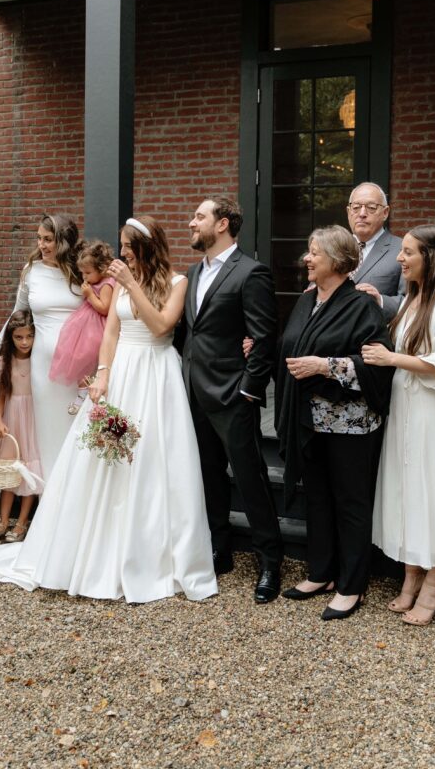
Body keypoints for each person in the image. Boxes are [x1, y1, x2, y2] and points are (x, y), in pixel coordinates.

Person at [0, 216, 217, 604]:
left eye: (127, 246)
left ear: (145, 246)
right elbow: (111, 333)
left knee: (154, 458)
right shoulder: (118, 281)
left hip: (157, 376)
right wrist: (102, 376)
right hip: (121, 373)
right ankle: (95, 545)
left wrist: (132, 285)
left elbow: (159, 325)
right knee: (106, 455)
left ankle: (151, 552)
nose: (120, 253)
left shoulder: (176, 282)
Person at [275, 226, 394, 621]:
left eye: (315, 253)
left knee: (350, 503)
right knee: (318, 498)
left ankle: (351, 585)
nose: (307, 259)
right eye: (308, 252)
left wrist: (324, 366)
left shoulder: (361, 306)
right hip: (309, 419)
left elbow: (377, 361)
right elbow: (289, 344)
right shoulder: (307, 301)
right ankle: (321, 572)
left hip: (350, 423)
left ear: (339, 261)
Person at [367, 225, 435, 625]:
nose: (400, 257)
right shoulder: (413, 300)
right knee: (407, 487)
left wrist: (390, 359)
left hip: (431, 408)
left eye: (408, 251)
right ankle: (411, 573)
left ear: (430, 256)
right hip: (404, 404)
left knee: (433, 490)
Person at [182, 196, 281, 604]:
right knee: (207, 475)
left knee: (250, 477)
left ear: (222, 224)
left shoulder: (251, 272)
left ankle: (270, 560)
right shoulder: (192, 272)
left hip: (232, 394)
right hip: (192, 391)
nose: (192, 223)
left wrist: (248, 390)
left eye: (199, 217)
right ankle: (220, 549)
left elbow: (263, 338)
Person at [0, 214, 84, 479]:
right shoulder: (32, 271)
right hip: (43, 368)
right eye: (39, 238)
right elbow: (17, 312)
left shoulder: (81, 272)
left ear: (64, 241)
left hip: (79, 368)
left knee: (76, 430)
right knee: (47, 431)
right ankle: (48, 497)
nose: (42, 244)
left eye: (48, 239)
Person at [0, 310, 44, 543]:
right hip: (12, 416)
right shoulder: (5, 363)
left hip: (35, 417)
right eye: (19, 337)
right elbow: (2, 393)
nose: (25, 342)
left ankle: (20, 524)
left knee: (30, 469)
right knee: (9, 469)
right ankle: (3, 521)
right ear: (11, 338)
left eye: (29, 336)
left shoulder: (40, 359)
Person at [49, 239, 115, 415]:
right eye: (82, 273)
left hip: (96, 328)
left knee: (89, 359)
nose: (84, 277)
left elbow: (105, 308)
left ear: (101, 268)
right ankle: (82, 392)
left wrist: (89, 294)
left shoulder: (108, 283)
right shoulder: (94, 281)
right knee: (79, 360)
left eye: (88, 273)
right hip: (84, 326)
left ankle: (86, 394)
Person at [347, 182, 405, 320]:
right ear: (348, 212)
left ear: (385, 213)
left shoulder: (403, 249)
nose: (362, 214)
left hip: (375, 338)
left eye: (371, 208)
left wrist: (380, 300)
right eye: (356, 207)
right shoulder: (334, 249)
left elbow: (413, 302)